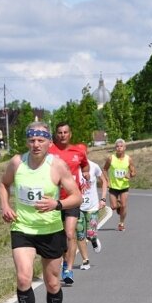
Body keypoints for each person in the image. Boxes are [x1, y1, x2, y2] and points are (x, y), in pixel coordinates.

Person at [0, 121, 82, 303]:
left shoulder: (57, 166)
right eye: (32, 140)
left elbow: (77, 197)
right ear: (27, 141)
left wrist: (57, 203)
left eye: (41, 140)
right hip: (23, 228)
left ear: (48, 142)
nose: (36, 144)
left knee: (53, 283)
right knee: (23, 278)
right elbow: (3, 184)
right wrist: (5, 205)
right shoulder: (17, 162)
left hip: (50, 231)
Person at [48, 122, 89, 285]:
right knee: (59, 236)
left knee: (70, 233)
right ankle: (64, 260)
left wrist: (85, 175)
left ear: (70, 134)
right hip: (53, 200)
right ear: (56, 135)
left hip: (71, 199)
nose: (63, 135)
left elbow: (85, 165)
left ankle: (68, 269)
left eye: (65, 132)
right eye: (60, 132)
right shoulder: (49, 151)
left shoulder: (78, 151)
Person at [75, 159, 108, 270]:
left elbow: (104, 181)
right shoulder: (72, 167)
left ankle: (93, 239)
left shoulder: (94, 166)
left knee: (90, 233)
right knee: (79, 233)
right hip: (77, 206)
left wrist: (103, 199)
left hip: (92, 206)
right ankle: (85, 260)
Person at [103, 138, 136, 231]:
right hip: (113, 186)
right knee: (113, 207)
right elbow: (105, 169)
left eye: (121, 146)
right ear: (115, 148)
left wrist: (130, 175)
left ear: (125, 147)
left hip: (124, 186)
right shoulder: (111, 158)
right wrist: (107, 180)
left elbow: (133, 171)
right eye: (117, 146)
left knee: (124, 205)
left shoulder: (128, 159)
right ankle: (118, 207)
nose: (119, 148)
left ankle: (121, 223)